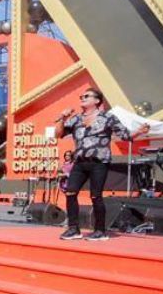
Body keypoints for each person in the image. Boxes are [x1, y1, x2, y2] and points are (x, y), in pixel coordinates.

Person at [54, 88, 150, 241]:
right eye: (81, 96)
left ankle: (100, 231)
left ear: (97, 101)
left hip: (99, 162)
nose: (82, 98)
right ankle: (74, 229)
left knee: (95, 195)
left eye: (86, 96)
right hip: (79, 161)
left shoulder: (108, 118)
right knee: (70, 192)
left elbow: (125, 135)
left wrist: (138, 131)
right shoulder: (76, 119)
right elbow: (58, 134)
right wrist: (62, 118)